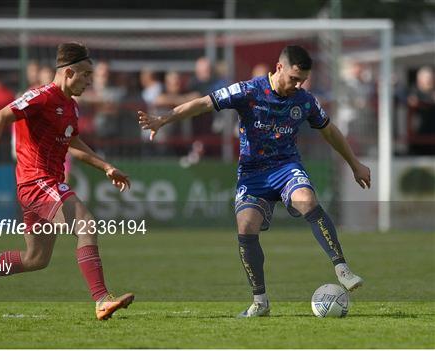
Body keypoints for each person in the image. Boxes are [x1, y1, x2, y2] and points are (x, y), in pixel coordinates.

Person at [138, 45, 370, 317]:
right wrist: (163, 119)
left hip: (286, 167)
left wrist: (355, 164)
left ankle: (341, 268)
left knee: (307, 199)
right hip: (252, 173)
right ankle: (260, 302)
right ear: (279, 67)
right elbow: (203, 103)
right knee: (246, 226)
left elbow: (329, 130)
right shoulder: (248, 90)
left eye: (302, 80)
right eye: (294, 79)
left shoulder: (304, 100)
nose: (297, 85)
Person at [0, 42, 134, 320]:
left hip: (41, 185)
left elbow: (73, 142)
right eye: (85, 75)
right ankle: (101, 299)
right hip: (36, 181)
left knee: (35, 258)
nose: (89, 81)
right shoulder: (41, 96)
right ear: (69, 72)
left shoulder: (70, 107)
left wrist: (106, 166)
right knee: (86, 224)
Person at [407, 66, 435, 155]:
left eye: (431, 78)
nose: (430, 81)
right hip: (418, 138)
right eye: (428, 78)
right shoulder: (413, 92)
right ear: (420, 80)